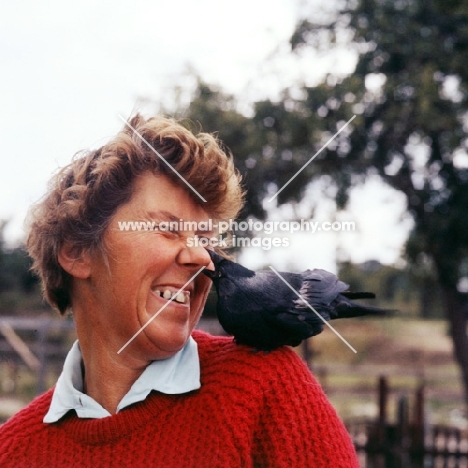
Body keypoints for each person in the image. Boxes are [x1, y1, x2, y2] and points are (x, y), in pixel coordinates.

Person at [0, 115, 360, 467]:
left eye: (206, 239)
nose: (202, 257)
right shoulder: (12, 452)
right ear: (77, 253)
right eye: (168, 229)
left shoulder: (267, 388)